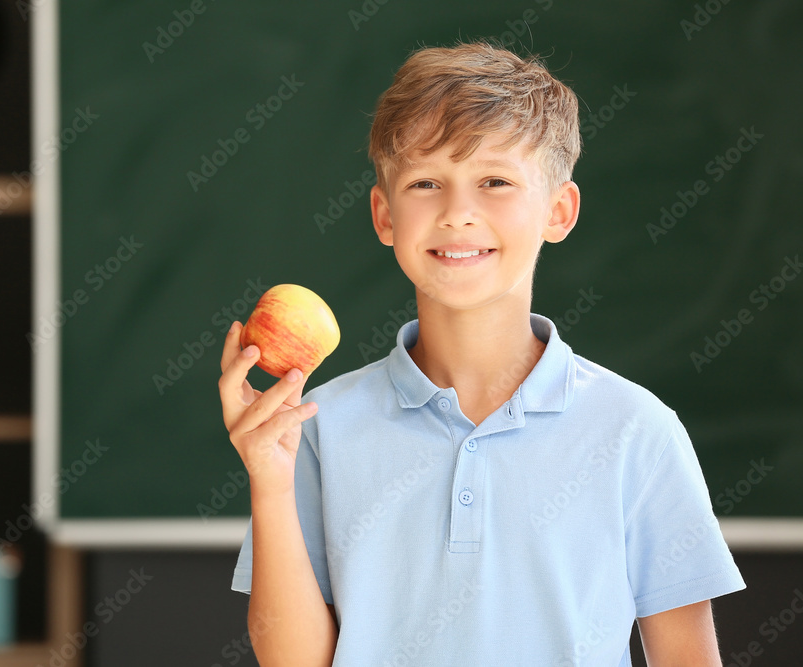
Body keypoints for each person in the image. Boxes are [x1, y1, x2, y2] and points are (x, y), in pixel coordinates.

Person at [218, 39, 745, 666]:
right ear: (385, 217)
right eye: (425, 182)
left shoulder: (637, 431)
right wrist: (270, 484)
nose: (458, 213)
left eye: (495, 181)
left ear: (559, 210)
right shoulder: (314, 427)